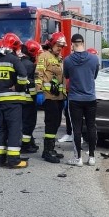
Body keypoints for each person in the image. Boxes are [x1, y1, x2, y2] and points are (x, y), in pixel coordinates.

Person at [0, 33, 29, 168]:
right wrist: (18, 86)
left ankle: (0, 158)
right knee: (14, 129)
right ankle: (14, 160)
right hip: (14, 101)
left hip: (0, 100)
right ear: (15, 46)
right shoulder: (14, 60)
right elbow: (23, 75)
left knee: (1, 129)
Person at [63, 33, 100, 166]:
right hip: (90, 98)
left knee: (76, 129)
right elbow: (94, 75)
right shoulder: (94, 59)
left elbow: (67, 76)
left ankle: (78, 158)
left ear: (72, 44)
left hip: (75, 99)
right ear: (83, 43)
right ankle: (91, 157)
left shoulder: (67, 60)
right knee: (91, 126)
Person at [36, 32, 67, 163]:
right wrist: (39, 91)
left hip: (59, 97)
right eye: (58, 45)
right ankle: (47, 151)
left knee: (56, 123)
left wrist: (64, 95)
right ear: (52, 44)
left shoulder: (60, 58)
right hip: (48, 97)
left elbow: (63, 79)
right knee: (50, 123)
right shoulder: (44, 56)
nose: (60, 48)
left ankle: (51, 149)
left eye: (61, 46)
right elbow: (39, 74)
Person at [20, 40, 42, 154]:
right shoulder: (30, 66)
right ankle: (25, 146)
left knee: (22, 123)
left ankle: (29, 142)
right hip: (29, 100)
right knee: (29, 124)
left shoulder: (20, 63)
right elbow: (33, 82)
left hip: (20, 99)